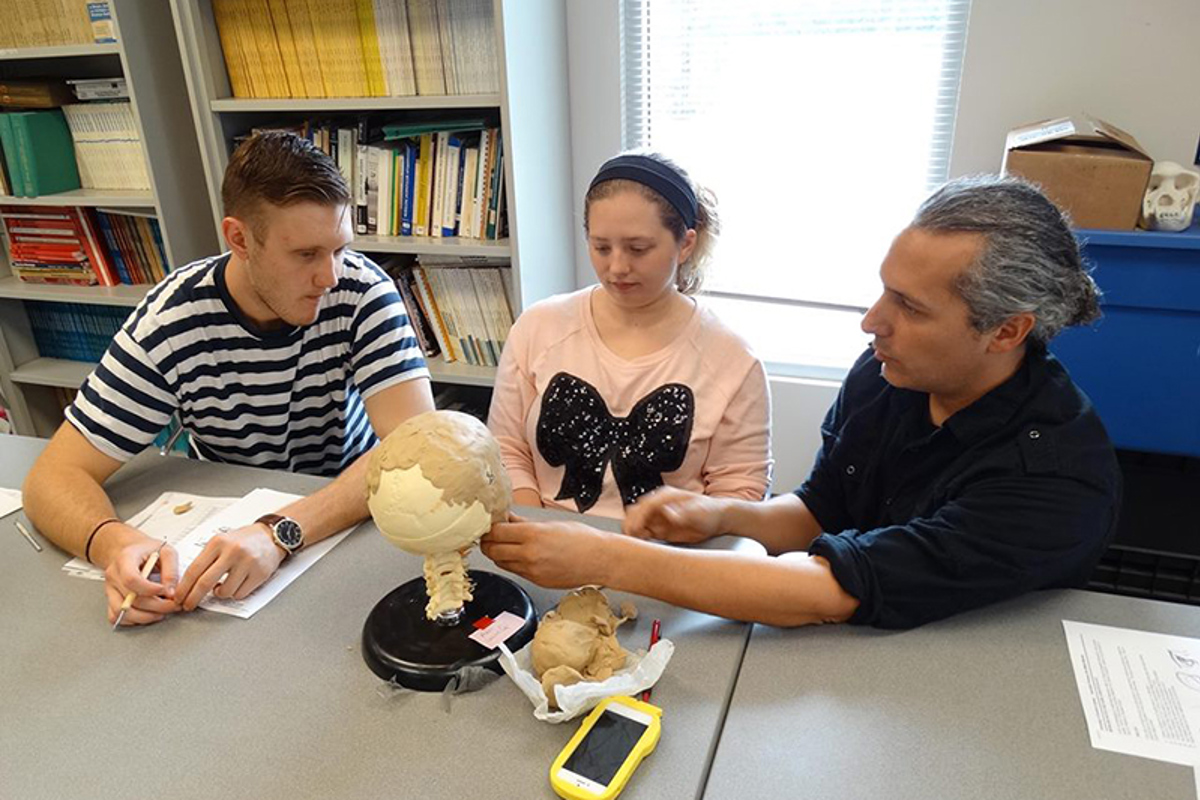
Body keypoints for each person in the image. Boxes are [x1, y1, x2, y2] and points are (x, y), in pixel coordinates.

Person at [484, 174, 1120, 629]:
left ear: (1007, 330)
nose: (873, 322)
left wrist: (606, 556)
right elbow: (820, 510)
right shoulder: (889, 374)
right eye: (883, 293)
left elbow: (829, 590)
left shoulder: (1056, 479)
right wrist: (719, 517)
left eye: (911, 307)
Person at [23, 131, 434, 626]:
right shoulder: (172, 322)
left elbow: (416, 446)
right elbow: (53, 477)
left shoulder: (363, 293)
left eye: (340, 248)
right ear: (239, 239)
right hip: (224, 538)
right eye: (306, 254)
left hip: (346, 511)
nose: (330, 275)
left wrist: (279, 532)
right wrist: (115, 543)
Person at [486, 151, 772, 519]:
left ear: (685, 244)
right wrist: (531, 527)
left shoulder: (732, 359)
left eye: (639, 249)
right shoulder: (538, 327)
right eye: (601, 247)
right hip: (542, 541)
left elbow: (739, 495)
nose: (617, 267)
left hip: (665, 559)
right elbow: (506, 447)